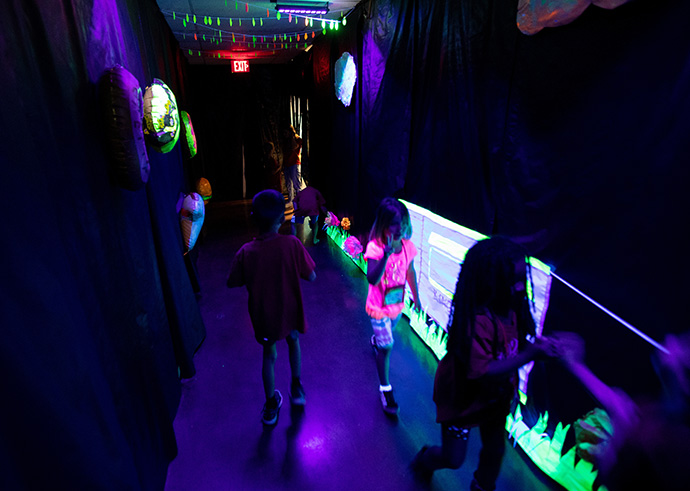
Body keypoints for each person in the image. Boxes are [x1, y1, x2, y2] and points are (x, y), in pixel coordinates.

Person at [410, 236, 560, 490]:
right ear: (489, 281)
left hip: (494, 397)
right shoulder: (478, 319)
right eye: (511, 281)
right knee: (453, 458)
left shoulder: (513, 309)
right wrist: (530, 354)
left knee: (495, 451)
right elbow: (481, 371)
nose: (520, 288)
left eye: (522, 279)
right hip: (462, 399)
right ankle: (424, 461)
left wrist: (545, 347)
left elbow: (514, 347)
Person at [555, 330, 690, 491]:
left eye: (685, 345)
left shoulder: (679, 443)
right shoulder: (655, 409)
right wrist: (573, 363)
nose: (671, 339)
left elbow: (616, 477)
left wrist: (619, 436)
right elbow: (620, 406)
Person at [226, 189, 317, 426]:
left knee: (269, 354)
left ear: (253, 218)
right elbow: (312, 276)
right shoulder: (292, 244)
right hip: (290, 312)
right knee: (293, 340)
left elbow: (232, 281)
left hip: (264, 317)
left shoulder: (246, 252)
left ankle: (270, 405)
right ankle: (296, 389)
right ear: (283, 218)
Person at [364, 197, 422, 416]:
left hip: (396, 306)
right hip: (378, 307)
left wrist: (416, 298)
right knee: (387, 347)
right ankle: (385, 388)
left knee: (385, 338)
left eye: (403, 222)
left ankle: (377, 340)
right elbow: (372, 279)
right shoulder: (376, 248)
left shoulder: (408, 247)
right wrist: (386, 256)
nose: (400, 228)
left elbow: (410, 271)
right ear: (383, 225)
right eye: (394, 223)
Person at [283, 125, 303, 207]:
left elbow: (298, 145)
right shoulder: (286, 141)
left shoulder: (296, 139)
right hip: (287, 163)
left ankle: (300, 202)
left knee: (296, 184)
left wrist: (294, 136)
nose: (284, 134)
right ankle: (291, 200)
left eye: (286, 132)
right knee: (289, 184)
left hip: (294, 163)